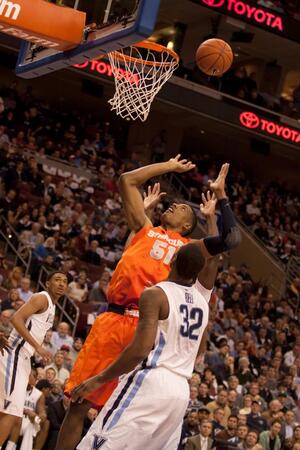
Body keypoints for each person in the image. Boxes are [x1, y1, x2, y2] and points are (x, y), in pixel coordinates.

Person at [58, 158, 240, 450]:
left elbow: (218, 249)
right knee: (78, 403)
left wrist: (210, 216)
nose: (173, 206)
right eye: (173, 204)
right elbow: (127, 179)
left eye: (181, 208)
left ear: (187, 225)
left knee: (122, 416)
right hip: (116, 319)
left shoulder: (191, 248)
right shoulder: (144, 228)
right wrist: (168, 166)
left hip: (152, 330)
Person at [72, 243, 211, 449]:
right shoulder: (202, 302)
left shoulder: (156, 294)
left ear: (171, 260)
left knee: (99, 444)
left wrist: (99, 379)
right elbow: (200, 349)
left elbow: (140, 349)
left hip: (152, 381)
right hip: (181, 392)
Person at [0, 271, 68, 447]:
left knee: (10, 412)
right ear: (47, 283)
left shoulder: (52, 307)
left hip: (23, 358)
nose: (61, 283)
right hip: (14, 353)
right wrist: (37, 347)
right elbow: (16, 319)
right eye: (57, 280)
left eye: (64, 281)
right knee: (10, 412)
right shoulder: (42, 298)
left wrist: (33, 354)